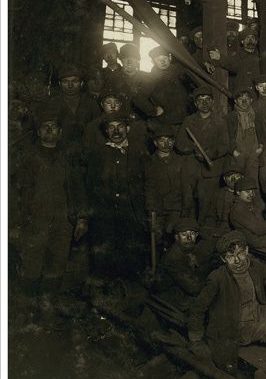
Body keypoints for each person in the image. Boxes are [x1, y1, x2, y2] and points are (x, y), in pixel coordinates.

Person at [187, 230, 266, 372]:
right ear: (223, 259)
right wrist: (195, 338)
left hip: (256, 310)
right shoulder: (217, 278)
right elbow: (198, 307)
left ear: (246, 250)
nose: (237, 260)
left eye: (240, 253)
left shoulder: (253, 265)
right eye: (230, 256)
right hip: (236, 325)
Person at [9, 111, 87, 297]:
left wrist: (81, 217)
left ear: (60, 132)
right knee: (31, 265)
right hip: (34, 221)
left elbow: (78, 188)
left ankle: (48, 309)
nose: (49, 130)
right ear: (38, 132)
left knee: (57, 265)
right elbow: (14, 193)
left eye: (54, 127)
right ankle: (28, 311)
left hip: (63, 221)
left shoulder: (69, 157)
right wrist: (13, 224)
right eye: (45, 127)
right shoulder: (26, 158)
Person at [83, 111, 148, 278]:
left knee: (132, 260)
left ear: (127, 128)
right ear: (106, 131)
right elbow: (90, 186)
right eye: (111, 128)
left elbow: (148, 184)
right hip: (105, 216)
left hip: (132, 215)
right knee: (105, 262)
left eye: (120, 127)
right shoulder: (97, 154)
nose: (116, 131)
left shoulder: (139, 153)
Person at [175, 86, 231, 224]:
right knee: (187, 203)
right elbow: (179, 144)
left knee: (207, 207)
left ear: (213, 102)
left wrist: (210, 153)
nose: (204, 103)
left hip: (210, 170)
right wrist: (193, 149)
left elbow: (225, 146)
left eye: (207, 100)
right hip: (191, 168)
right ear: (195, 104)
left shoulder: (220, 121)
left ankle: (203, 234)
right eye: (200, 100)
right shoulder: (189, 121)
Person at [154, 218, 218, 311]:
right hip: (171, 300)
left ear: (196, 235)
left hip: (180, 292)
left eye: (192, 234)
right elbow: (193, 288)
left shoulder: (187, 250)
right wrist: (213, 280)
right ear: (176, 237)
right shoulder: (174, 257)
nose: (189, 238)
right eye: (184, 234)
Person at [144, 122, 190, 242]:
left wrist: (185, 210)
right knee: (157, 241)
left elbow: (186, 188)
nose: (166, 144)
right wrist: (151, 211)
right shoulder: (149, 163)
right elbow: (148, 189)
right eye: (162, 140)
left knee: (175, 240)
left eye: (169, 140)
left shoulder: (181, 162)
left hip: (177, 208)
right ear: (155, 143)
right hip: (157, 210)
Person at [132, 46, 191, 126]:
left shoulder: (179, 71)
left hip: (185, 119)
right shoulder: (152, 78)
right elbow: (138, 98)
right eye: (159, 60)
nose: (163, 62)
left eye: (165, 58)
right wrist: (153, 111)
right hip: (165, 123)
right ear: (153, 62)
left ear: (170, 57)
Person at [49, 64, 100, 146]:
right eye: (65, 81)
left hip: (87, 149)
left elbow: (98, 129)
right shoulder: (52, 104)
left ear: (81, 83)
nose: (70, 85)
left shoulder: (91, 103)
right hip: (59, 150)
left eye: (74, 81)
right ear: (59, 83)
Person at [226, 80, 262, 183]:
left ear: (251, 100)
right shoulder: (231, 117)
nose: (244, 101)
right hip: (237, 155)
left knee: (252, 181)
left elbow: (262, 134)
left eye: (247, 98)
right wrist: (234, 152)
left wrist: (261, 147)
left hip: (253, 154)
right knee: (237, 182)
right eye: (241, 98)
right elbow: (225, 138)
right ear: (236, 101)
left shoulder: (256, 115)